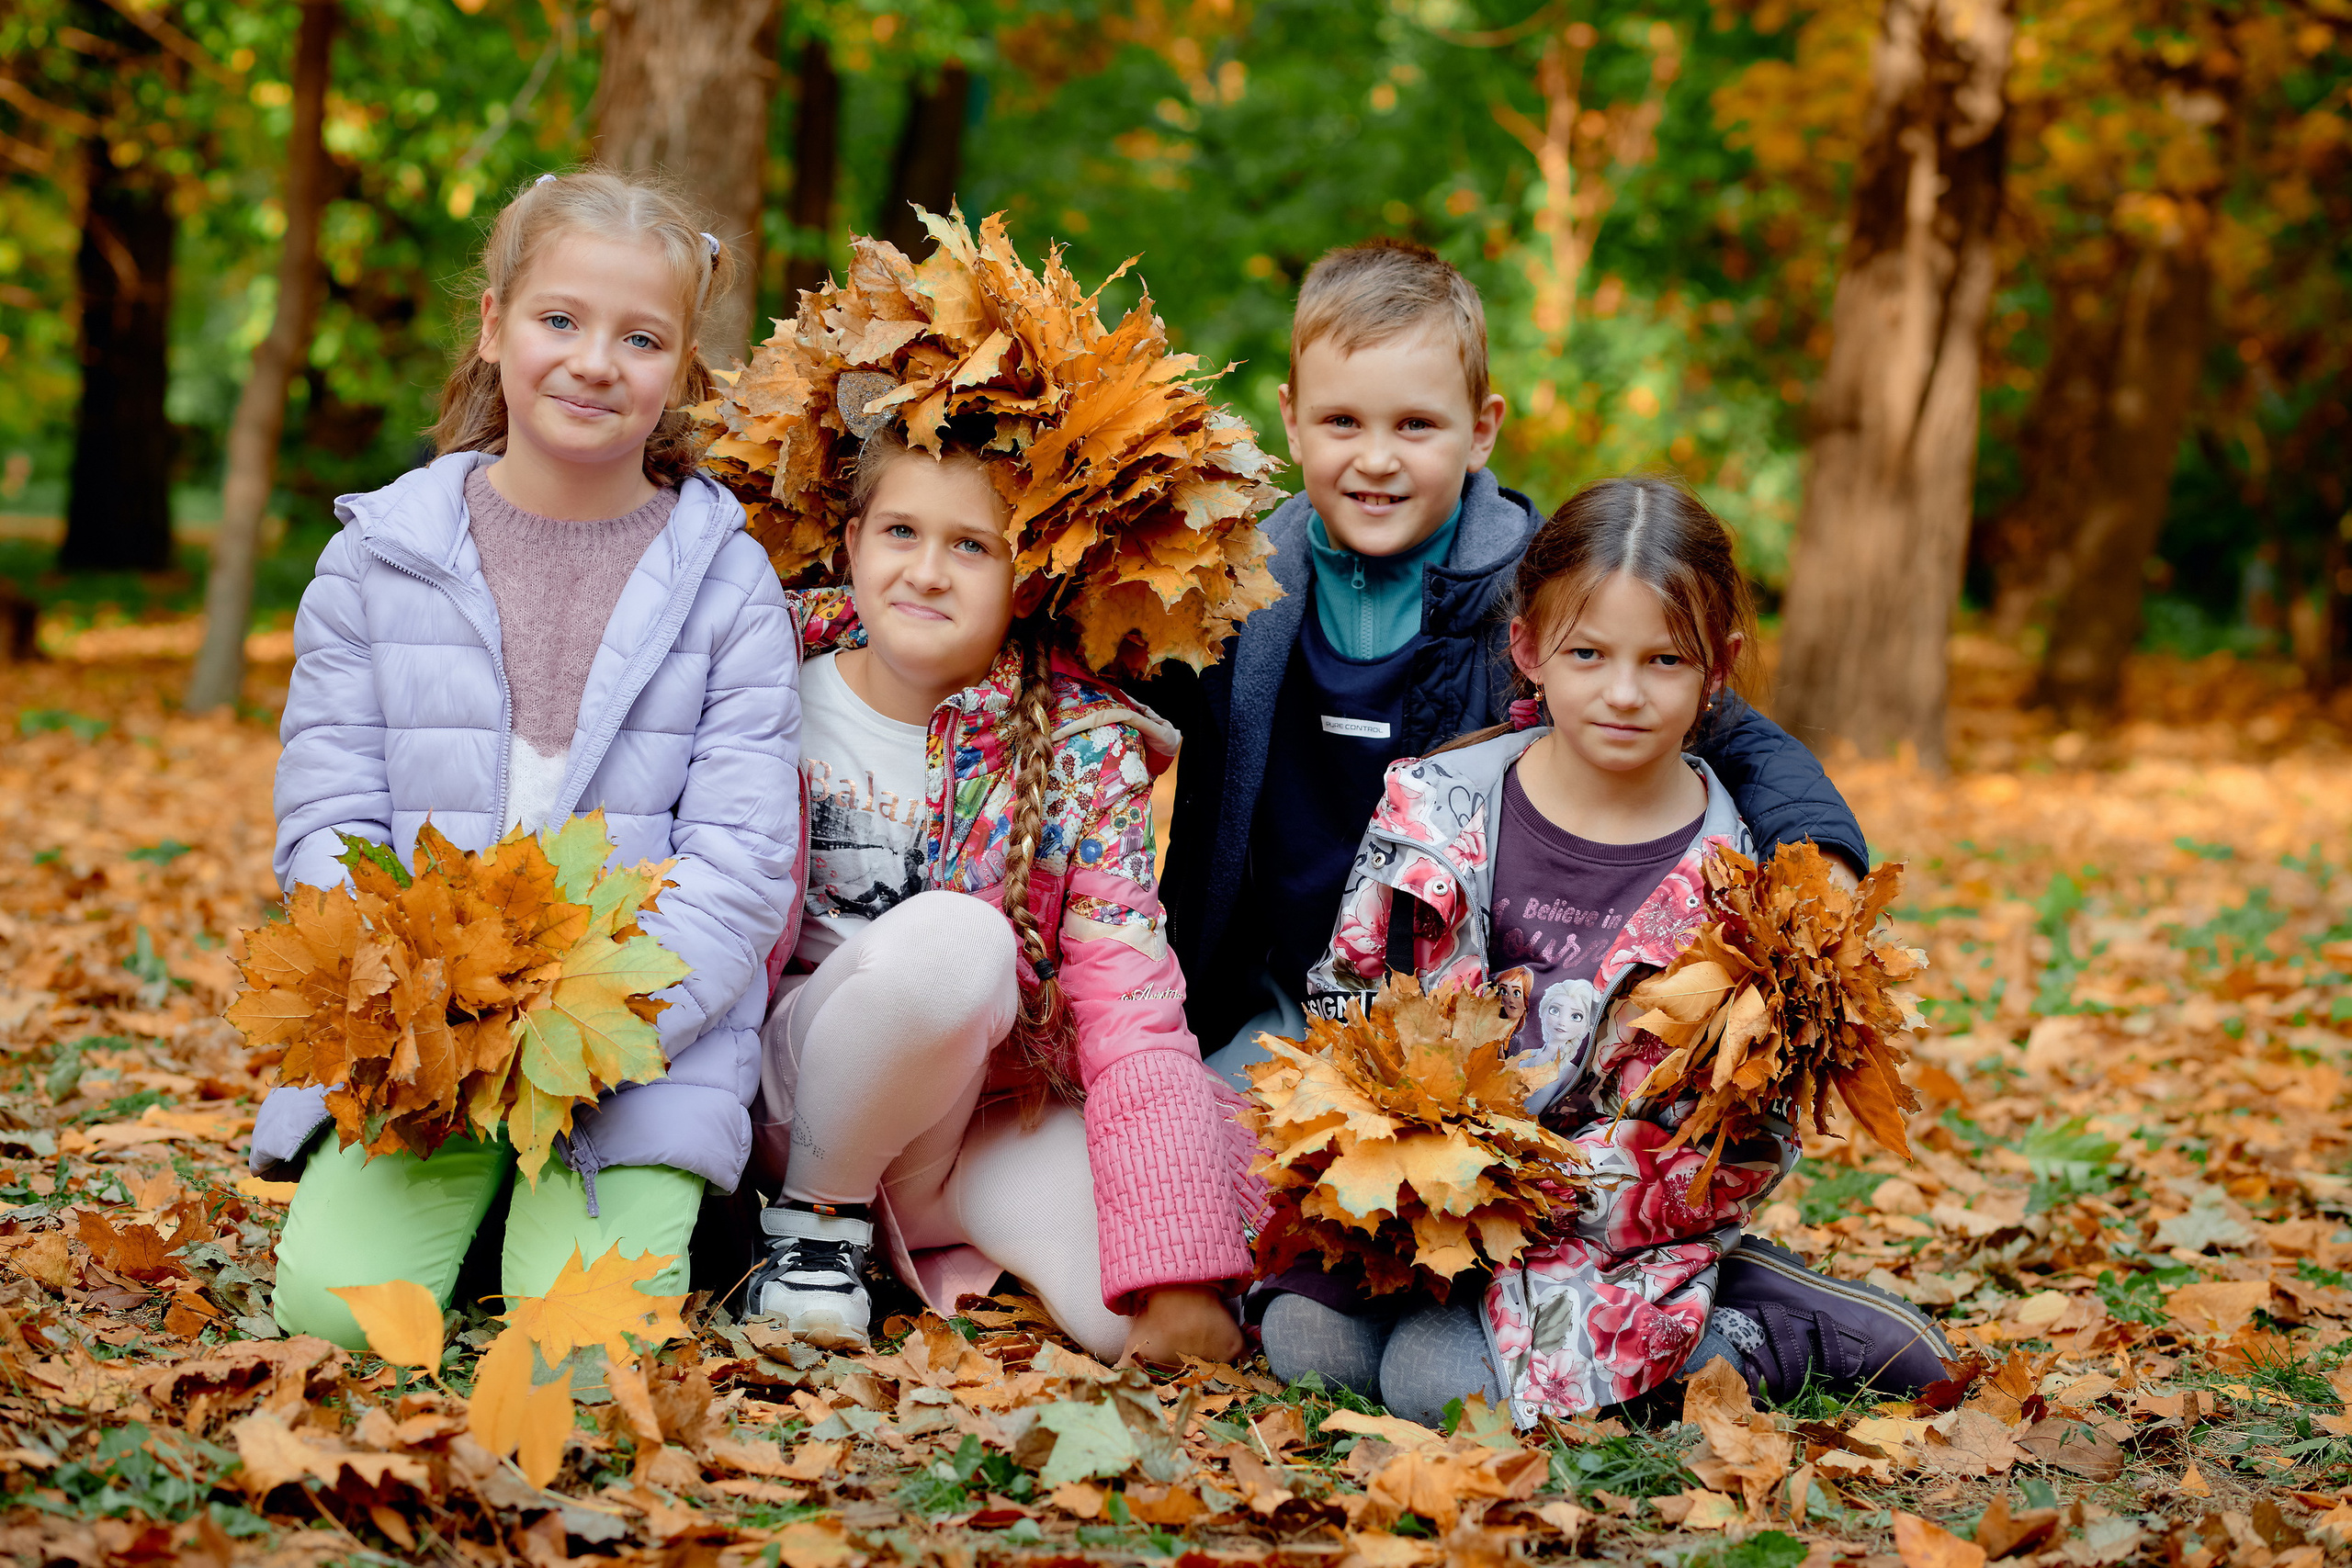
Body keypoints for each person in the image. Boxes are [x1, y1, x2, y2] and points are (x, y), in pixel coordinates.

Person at [701, 214, 1275, 1366]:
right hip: (788, 1098)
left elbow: (1126, 995)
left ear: (1030, 576)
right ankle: (814, 1231)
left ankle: (907, 1233)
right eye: (901, 532)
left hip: (977, 1122)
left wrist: (1174, 1251)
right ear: (851, 539)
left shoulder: (1078, 741)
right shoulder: (759, 677)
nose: (926, 569)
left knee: (1168, 1331)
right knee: (957, 943)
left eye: (973, 546)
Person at [1260, 478, 1951, 1422]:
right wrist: (1406, 1159)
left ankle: (1765, 1328)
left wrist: (1529, 1189)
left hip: (1612, 1226)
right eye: (1586, 653)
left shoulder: (1744, 891)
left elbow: (1743, 1141)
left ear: (1718, 670)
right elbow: (1347, 997)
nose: (1622, 693)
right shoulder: (1432, 807)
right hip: (1428, 1201)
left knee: (1432, 1389)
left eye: (1664, 660)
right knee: (1306, 1345)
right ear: (1529, 650)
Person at [249, 170, 800, 1350]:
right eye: (559, 320)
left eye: (640, 337)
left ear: (682, 372)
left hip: (628, 1054)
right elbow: (327, 819)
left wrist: (589, 1030)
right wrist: (423, 1011)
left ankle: (581, 1223)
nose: (595, 361)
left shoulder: (729, 582)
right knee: (332, 1322)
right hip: (420, 1044)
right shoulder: (376, 561)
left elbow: (742, 862)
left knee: (586, 1351)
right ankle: (467, 1204)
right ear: (495, 328)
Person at [1148, 240, 1870, 1077]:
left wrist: (1820, 851)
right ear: (1293, 421)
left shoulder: (1537, 592)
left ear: (1481, 430)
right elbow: (1109, 696)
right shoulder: (1229, 586)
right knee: (1211, 1172)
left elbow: (1723, 723)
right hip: (1274, 994)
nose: (1376, 458)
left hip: (1467, 1017)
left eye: (1416, 425)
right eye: (1343, 421)